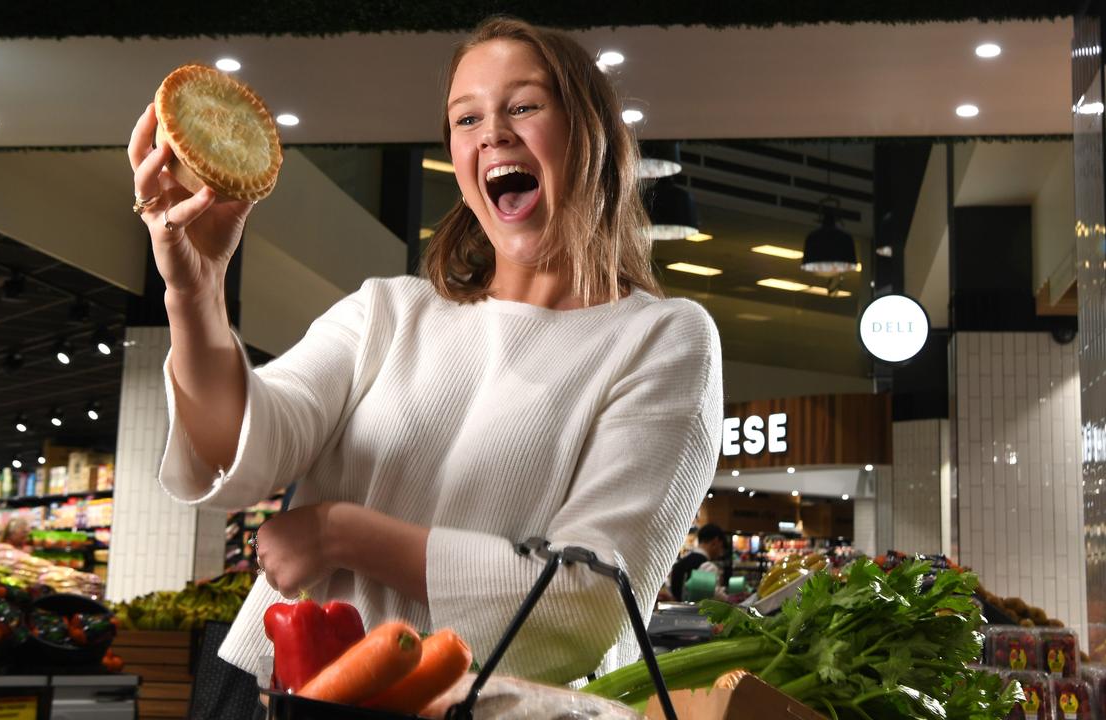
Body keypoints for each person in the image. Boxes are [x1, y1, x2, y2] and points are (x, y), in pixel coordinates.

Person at [128, 16, 723, 685]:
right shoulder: (390, 310)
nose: (494, 131)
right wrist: (196, 293)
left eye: (524, 106)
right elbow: (239, 450)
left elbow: (586, 606)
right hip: (286, 687)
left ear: (590, 137)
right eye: (466, 119)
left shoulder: (663, 340)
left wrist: (339, 534)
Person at [667, 523, 729, 602]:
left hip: (675, 612)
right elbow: (715, 598)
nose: (721, 553)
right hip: (694, 613)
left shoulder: (679, 564)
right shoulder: (708, 566)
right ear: (715, 542)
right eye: (721, 547)